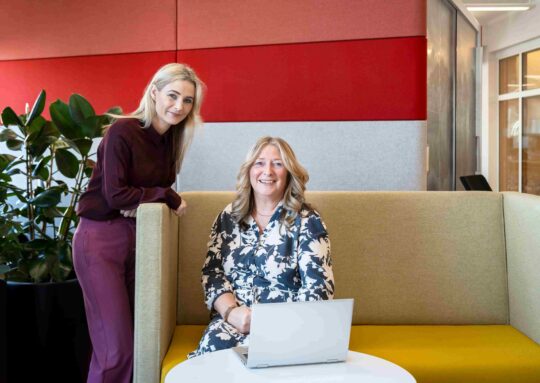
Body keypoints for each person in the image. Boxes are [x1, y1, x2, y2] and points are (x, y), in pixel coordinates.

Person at [73, 63, 204, 383]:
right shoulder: (123, 131)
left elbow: (133, 197)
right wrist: (167, 196)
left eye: (187, 101)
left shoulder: (171, 139)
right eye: (173, 95)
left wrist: (142, 200)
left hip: (140, 239)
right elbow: (117, 196)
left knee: (137, 342)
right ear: (154, 92)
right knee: (115, 349)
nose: (179, 106)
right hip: (100, 240)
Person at [189, 137, 334, 357]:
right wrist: (231, 313)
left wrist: (281, 326)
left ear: (289, 173)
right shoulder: (228, 217)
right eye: (259, 163)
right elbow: (212, 274)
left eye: (277, 163)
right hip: (233, 324)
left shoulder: (307, 221)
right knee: (211, 353)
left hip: (288, 327)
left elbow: (318, 289)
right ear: (249, 171)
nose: (267, 171)